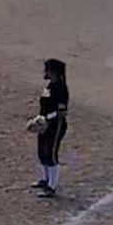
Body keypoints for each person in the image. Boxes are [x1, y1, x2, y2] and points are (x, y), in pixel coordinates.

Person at [27, 58, 70, 199]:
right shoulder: (50, 85)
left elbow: (62, 112)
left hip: (55, 126)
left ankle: (52, 187)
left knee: (51, 154)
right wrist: (39, 118)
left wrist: (46, 118)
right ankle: (44, 179)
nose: (46, 72)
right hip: (44, 124)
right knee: (42, 152)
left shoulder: (61, 89)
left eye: (49, 70)